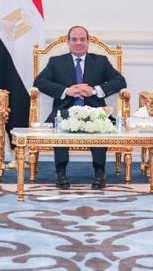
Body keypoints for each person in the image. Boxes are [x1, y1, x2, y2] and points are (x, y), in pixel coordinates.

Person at [33, 25, 127, 190]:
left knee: (99, 123)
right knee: (60, 122)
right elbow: (39, 82)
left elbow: (120, 81)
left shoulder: (100, 61)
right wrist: (66, 91)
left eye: (82, 39)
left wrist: (94, 90)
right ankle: (61, 172)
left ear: (88, 42)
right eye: (74, 39)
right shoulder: (56, 62)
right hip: (65, 111)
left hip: (94, 110)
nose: (78, 43)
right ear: (68, 42)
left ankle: (99, 172)